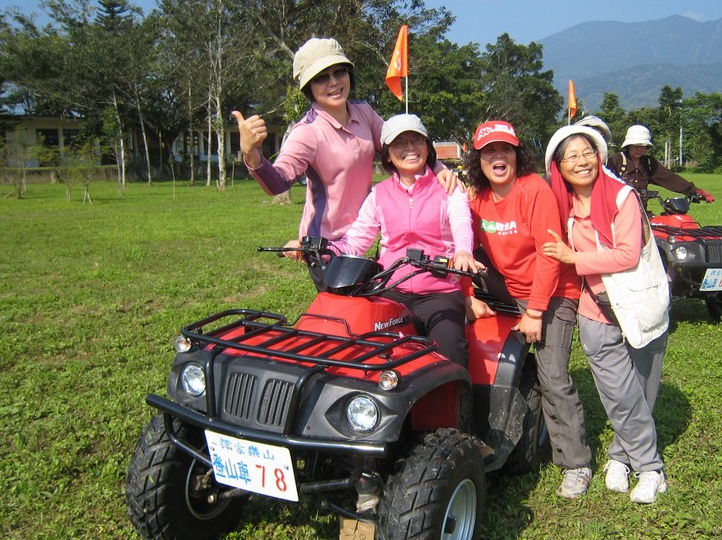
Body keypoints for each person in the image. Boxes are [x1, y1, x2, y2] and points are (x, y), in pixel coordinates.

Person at [231, 37, 456, 287]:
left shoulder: (365, 113)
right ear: (308, 86)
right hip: (326, 246)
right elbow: (278, 182)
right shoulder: (308, 131)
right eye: (321, 77)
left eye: (339, 72)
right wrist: (251, 153)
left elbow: (401, 148)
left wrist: (438, 168)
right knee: (344, 318)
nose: (334, 82)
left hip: (365, 236)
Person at [463, 120, 592, 499]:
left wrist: (535, 311)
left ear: (518, 154)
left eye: (505, 149)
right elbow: (459, 244)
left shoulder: (533, 190)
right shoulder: (477, 198)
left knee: (552, 376)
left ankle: (576, 462)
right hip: (504, 289)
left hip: (552, 293)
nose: (497, 157)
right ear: (478, 159)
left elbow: (549, 257)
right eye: (489, 151)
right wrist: (465, 296)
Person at [542, 124, 670, 504]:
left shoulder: (621, 197)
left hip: (637, 305)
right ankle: (650, 467)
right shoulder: (559, 204)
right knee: (618, 395)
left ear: (598, 157)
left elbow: (628, 255)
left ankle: (621, 455)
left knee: (642, 392)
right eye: (571, 156)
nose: (581, 162)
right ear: (558, 166)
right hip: (594, 311)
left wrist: (574, 258)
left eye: (587, 153)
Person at [329, 114, 483, 367]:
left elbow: (461, 223)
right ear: (388, 154)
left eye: (416, 140)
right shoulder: (378, 194)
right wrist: (325, 250)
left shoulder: (449, 188)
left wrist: (464, 251)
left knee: (450, 353)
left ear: (427, 147)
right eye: (400, 143)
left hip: (439, 293)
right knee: (366, 350)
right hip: (391, 291)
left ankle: (455, 405)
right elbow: (356, 240)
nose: (410, 148)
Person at [607, 124, 714, 208]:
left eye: (642, 146)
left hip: (641, 212)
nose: (639, 149)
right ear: (629, 146)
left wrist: (694, 191)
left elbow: (669, 178)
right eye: (636, 146)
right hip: (618, 212)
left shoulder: (648, 163)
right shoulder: (618, 160)